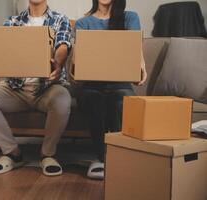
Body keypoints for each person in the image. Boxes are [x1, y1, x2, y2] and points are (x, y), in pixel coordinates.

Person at [0, 0, 72, 177]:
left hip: (46, 89)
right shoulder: (11, 22)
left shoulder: (60, 19)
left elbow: (63, 46)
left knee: (63, 99)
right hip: (15, 90)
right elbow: (0, 55)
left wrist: (58, 65)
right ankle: (12, 153)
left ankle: (47, 155)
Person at [73, 0, 147, 180]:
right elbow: (76, 62)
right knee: (96, 101)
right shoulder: (84, 23)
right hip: (91, 86)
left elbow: (135, 51)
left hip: (120, 85)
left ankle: (116, 157)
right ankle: (102, 158)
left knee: (122, 101)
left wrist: (141, 67)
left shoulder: (129, 18)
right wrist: (75, 66)